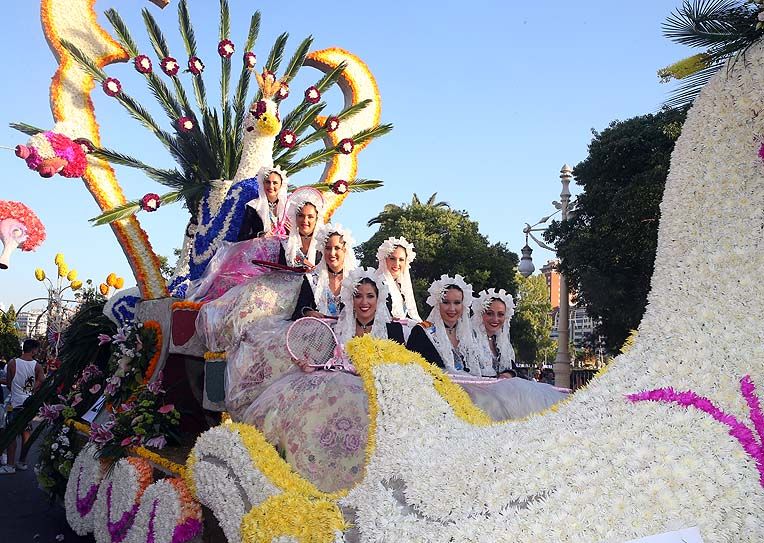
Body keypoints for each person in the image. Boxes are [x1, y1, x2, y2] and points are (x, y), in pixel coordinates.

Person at [239, 268, 401, 492]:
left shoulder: (393, 331)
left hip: (375, 392)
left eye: (370, 296)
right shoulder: (340, 327)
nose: (364, 302)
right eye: (358, 296)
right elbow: (327, 359)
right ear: (350, 299)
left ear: (378, 298)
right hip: (337, 389)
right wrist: (309, 366)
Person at [407, 275, 566, 421]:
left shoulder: (468, 335)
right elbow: (413, 372)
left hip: (472, 390)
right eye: (446, 302)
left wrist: (506, 374)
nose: (452, 309)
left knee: (525, 394)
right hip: (440, 396)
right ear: (437, 303)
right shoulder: (422, 332)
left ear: (463, 304)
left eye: (457, 303)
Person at [291, 223, 358, 320]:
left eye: (337, 248)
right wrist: (308, 312)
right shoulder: (312, 278)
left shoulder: (356, 280)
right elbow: (299, 309)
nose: (332, 253)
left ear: (345, 250)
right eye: (328, 248)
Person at [0, 339, 44, 474]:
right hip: (28, 404)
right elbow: (41, 380)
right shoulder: (37, 366)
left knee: (11, 434)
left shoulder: (13, 363)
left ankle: (10, 465)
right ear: (33, 350)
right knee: (26, 433)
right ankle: (22, 462)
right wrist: (32, 390)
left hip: (15, 403)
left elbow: (8, 383)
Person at [374, 237, 422, 324]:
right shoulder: (377, 285)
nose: (397, 264)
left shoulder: (400, 286)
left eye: (401, 260)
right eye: (392, 258)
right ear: (385, 260)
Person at [471, 288, 517, 378]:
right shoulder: (471, 339)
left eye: (500, 314)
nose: (495, 319)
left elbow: (512, 369)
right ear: (481, 314)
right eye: (489, 313)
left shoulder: (501, 342)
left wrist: (508, 374)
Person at [237, 166, 289, 241]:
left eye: (275, 183)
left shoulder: (288, 207)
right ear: (262, 184)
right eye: (268, 182)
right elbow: (242, 237)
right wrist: (260, 235)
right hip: (259, 250)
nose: (271, 186)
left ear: (281, 185)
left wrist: (292, 232)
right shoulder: (254, 206)